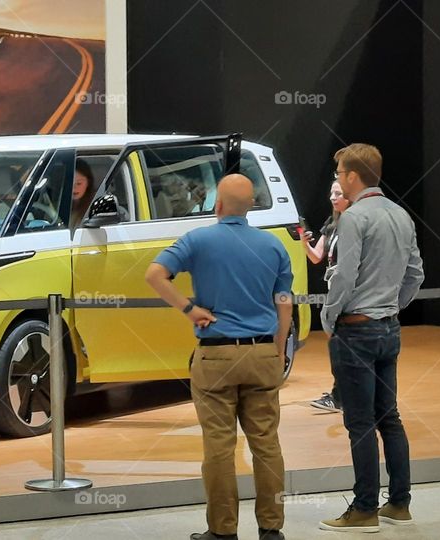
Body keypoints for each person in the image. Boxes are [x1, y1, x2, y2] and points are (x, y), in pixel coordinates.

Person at [146, 174, 291, 540]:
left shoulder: (198, 240)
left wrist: (189, 308)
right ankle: (271, 529)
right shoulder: (273, 246)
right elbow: (284, 301)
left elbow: (155, 274)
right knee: (267, 444)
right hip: (262, 351)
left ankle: (223, 531)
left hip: (216, 356)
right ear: (251, 207)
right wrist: (278, 344)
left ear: (218, 205)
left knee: (219, 447)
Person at [319, 144, 424, 533]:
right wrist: (391, 307)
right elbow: (416, 274)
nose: (338, 179)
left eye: (340, 173)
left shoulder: (353, 218)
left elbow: (343, 276)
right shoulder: (401, 215)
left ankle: (364, 509)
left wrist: (329, 317)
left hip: (357, 329)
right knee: (389, 417)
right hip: (388, 328)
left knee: (359, 422)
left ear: (350, 176)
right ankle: (399, 503)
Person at [301, 180, 351, 413]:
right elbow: (316, 257)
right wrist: (304, 243)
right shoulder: (332, 223)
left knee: (341, 346)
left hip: (349, 294)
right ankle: (340, 394)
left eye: (338, 193)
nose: (332, 197)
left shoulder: (356, 225)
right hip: (334, 292)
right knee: (337, 345)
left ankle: (339, 396)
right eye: (331, 192)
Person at [70, 160, 96, 228]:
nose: (74, 188)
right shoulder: (57, 205)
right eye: (70, 183)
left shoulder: (94, 207)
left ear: (88, 183)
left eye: (79, 183)